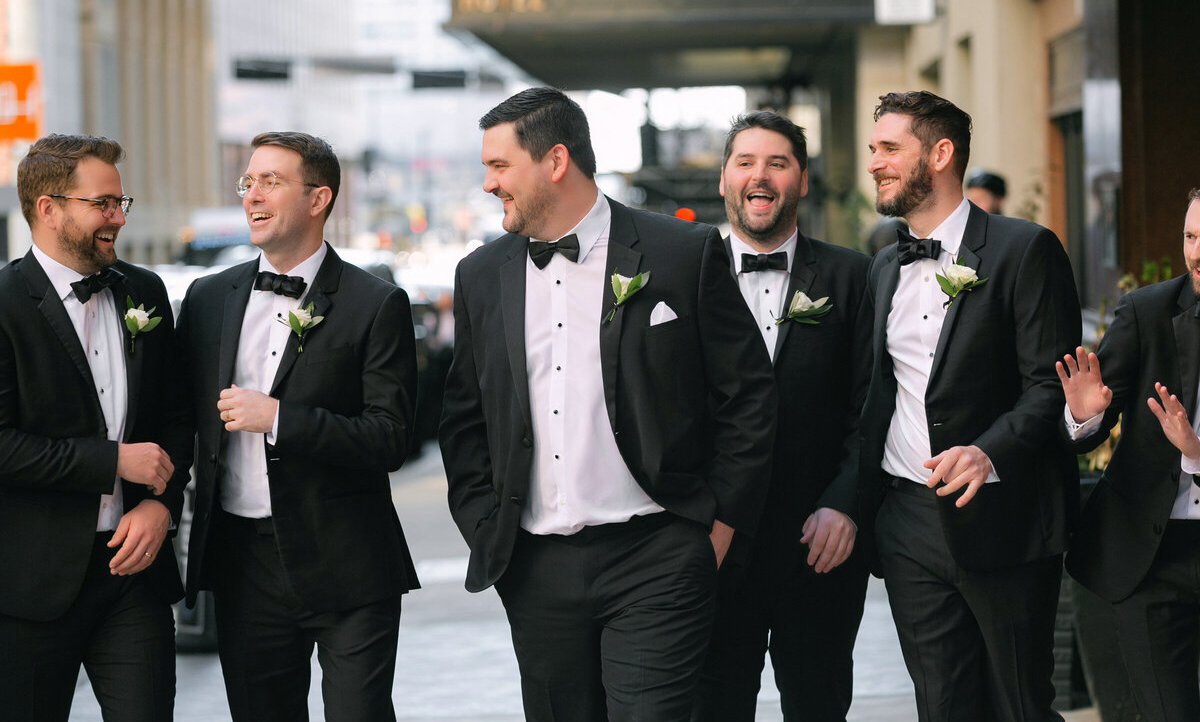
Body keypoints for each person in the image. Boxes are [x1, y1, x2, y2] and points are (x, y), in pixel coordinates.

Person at [439, 87, 777, 722]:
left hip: (659, 554)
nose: (488, 184)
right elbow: (464, 418)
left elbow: (747, 394)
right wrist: (486, 526)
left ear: (556, 160)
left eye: (499, 165)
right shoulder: (481, 275)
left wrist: (720, 526)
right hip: (534, 566)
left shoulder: (681, 251)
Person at [177, 131, 419, 721]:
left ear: (318, 199)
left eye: (270, 181)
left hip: (349, 559)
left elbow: (390, 438)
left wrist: (280, 418)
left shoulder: (375, 302)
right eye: (248, 181)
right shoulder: (207, 298)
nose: (252, 195)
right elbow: (176, 418)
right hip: (243, 563)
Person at [855, 91, 1081, 721]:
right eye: (874, 149)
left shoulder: (1024, 249)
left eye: (890, 149)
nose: (874, 162)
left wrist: (988, 451)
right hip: (904, 519)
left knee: (1019, 705)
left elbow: (1048, 384)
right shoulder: (882, 268)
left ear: (941, 154)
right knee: (942, 705)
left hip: (1003, 514)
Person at [0, 134, 190, 720]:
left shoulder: (145, 290)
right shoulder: (3, 302)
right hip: (29, 585)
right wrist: (111, 462)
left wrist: (163, 505)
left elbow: (175, 417)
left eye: (120, 203)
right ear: (48, 208)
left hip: (134, 575)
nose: (116, 218)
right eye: (102, 204)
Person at [690, 110, 868, 721]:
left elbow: (874, 403)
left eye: (777, 162)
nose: (759, 177)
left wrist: (846, 501)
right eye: (745, 162)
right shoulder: (682, 275)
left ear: (803, 180)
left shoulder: (854, 277)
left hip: (818, 549)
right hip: (711, 551)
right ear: (723, 180)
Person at [1057, 187, 1200, 721]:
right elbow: (1085, 433)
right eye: (1190, 236)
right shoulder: (1147, 311)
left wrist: (1197, 454)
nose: (1195, 253)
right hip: (1146, 556)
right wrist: (1084, 415)